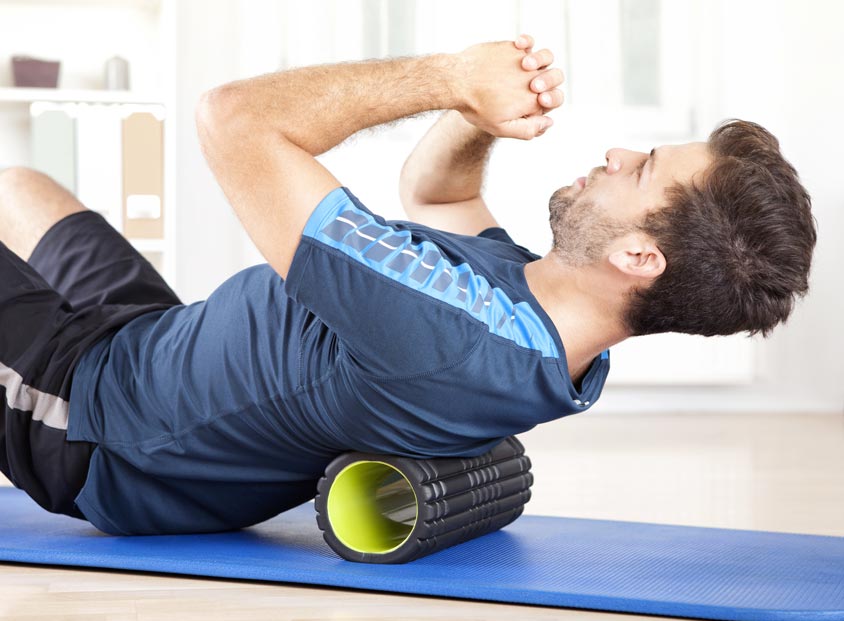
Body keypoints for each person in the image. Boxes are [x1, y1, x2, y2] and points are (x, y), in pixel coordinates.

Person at [0, 36, 816, 535]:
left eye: (638, 170)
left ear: (640, 257)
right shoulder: (538, 328)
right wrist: (477, 118)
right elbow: (441, 196)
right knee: (22, 185)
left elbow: (233, 117)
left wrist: (448, 78)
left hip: (94, 422)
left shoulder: (456, 340)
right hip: (153, 345)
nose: (613, 154)